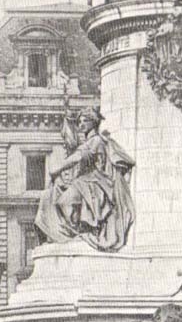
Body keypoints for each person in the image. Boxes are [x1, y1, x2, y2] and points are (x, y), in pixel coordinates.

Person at [36, 108, 135, 252]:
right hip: (88, 181)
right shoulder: (89, 141)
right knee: (51, 195)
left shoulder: (96, 141)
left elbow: (77, 157)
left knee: (65, 201)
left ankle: (78, 232)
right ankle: (71, 232)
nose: (81, 124)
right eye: (80, 121)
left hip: (99, 183)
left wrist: (56, 170)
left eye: (85, 121)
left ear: (93, 122)